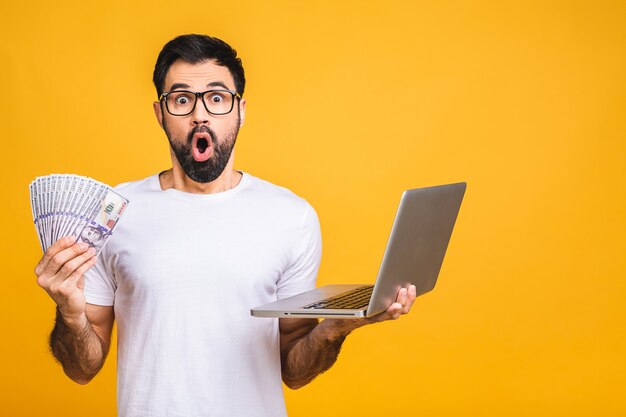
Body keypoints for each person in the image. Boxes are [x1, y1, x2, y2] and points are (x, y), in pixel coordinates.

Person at [34, 34, 418, 417]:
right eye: (182, 99)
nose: (200, 115)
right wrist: (69, 313)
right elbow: (81, 369)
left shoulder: (291, 216)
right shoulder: (113, 211)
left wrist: (336, 328)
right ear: (160, 113)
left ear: (240, 110)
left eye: (217, 98)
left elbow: (295, 371)